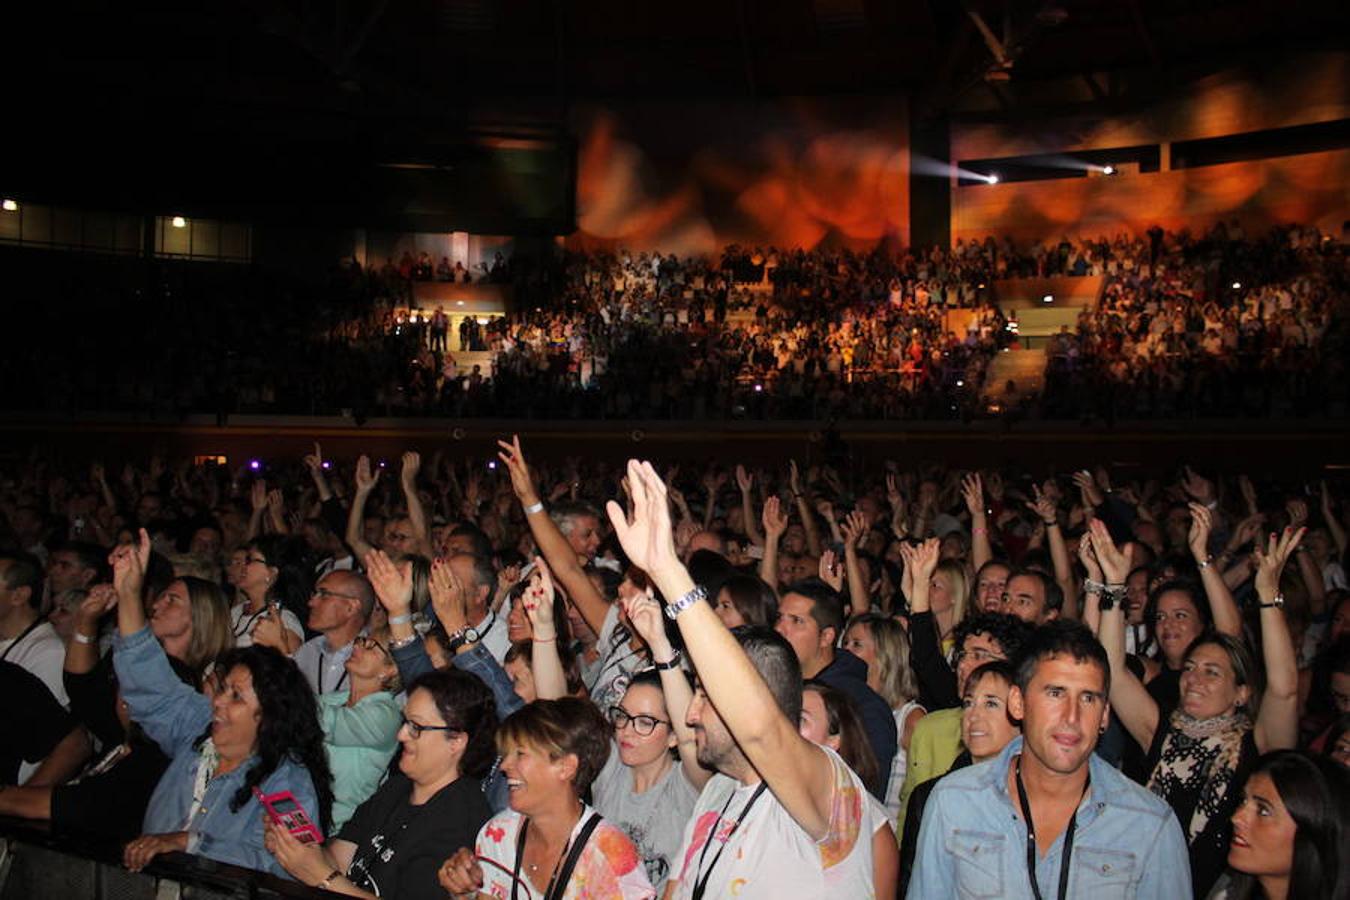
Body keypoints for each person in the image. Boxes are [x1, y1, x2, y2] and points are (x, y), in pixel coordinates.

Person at [610, 460, 874, 897]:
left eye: (706, 698)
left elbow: (761, 730)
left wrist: (669, 570)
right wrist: (660, 646)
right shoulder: (717, 792)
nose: (689, 715)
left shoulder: (824, 788)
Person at [908, 619, 1191, 898]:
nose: (1072, 717)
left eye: (1088, 698)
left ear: (1104, 715)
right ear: (1018, 703)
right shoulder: (955, 801)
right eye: (1055, 694)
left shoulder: (1149, 824)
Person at [1097, 521, 1303, 897]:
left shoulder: (1256, 746)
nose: (1194, 678)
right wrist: (1113, 589)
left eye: (1212, 672)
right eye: (1190, 669)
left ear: (1241, 692)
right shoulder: (1161, 731)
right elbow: (1110, 669)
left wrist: (1268, 596)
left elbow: (1285, 689)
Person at [111, 531, 333, 878]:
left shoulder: (286, 779)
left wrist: (191, 842)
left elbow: (289, 865)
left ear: (269, 715)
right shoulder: (197, 732)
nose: (217, 703)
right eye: (223, 689)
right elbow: (148, 683)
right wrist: (128, 594)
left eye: (236, 697)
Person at [265, 668, 497, 898]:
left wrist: (322, 878)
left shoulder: (461, 819)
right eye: (405, 722)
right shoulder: (397, 788)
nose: (401, 734)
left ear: (456, 741)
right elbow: (338, 860)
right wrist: (297, 848)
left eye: (416, 727)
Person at [437, 698, 654, 899]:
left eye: (520, 754)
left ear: (566, 767)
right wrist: (465, 893)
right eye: (506, 754)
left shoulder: (609, 855)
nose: (504, 765)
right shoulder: (499, 834)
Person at [899, 660, 1021, 897]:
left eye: (991, 704)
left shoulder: (1037, 795)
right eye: (968, 703)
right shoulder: (931, 796)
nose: (974, 714)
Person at [774, 577, 897, 798]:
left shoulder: (863, 705)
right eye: (779, 618)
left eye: (796, 621)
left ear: (826, 637)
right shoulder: (774, 685)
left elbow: (866, 793)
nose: (781, 629)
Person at [798, 681, 899, 900]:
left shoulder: (872, 822)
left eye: (800, 719)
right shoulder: (757, 797)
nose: (786, 728)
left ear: (834, 740)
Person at [1207, 750, 1349, 900]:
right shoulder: (1227, 893)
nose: (1236, 818)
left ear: (1315, 833)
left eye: (1263, 811)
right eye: (1243, 801)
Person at [842, 612, 925, 820]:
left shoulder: (911, 719)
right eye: (845, 643)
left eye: (856, 644)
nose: (845, 651)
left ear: (884, 656)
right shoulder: (850, 708)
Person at [318, 629, 402, 831]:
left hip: (342, 832)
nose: (356, 646)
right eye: (360, 640)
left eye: (370, 646)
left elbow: (325, 723)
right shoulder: (331, 700)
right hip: (306, 817)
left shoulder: (386, 716)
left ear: (390, 669)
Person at [229, 536, 307, 650]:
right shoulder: (237, 611)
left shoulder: (283, 621)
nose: (243, 565)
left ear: (271, 573)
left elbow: (290, 664)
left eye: (250, 560)